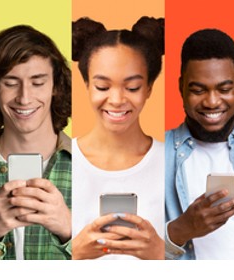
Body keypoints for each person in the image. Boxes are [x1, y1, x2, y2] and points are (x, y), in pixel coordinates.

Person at [68, 16, 167, 260]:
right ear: (86, 84)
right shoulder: (60, 162)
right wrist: (72, 254)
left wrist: (161, 254)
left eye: (132, 87)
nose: (116, 100)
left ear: (149, 88)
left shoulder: (173, 161)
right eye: (102, 87)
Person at [0, 25, 74, 260]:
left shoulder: (91, 166)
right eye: (10, 83)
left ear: (55, 87)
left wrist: (71, 232)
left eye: (38, 82)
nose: (24, 98)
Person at [163, 29, 234, 260]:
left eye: (224, 89)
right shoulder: (155, 153)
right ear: (181, 87)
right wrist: (180, 230)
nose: (212, 102)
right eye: (198, 90)